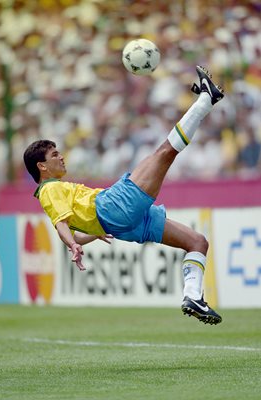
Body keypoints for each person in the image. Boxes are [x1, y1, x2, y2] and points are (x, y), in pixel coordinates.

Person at [24, 66, 224, 325]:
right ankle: (207, 99)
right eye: (54, 155)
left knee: (197, 242)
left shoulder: (55, 191)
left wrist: (89, 233)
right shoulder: (49, 189)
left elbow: (73, 233)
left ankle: (193, 296)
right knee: (163, 153)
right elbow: (61, 225)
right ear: (41, 166)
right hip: (114, 207)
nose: (61, 156)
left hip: (119, 223)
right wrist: (73, 244)